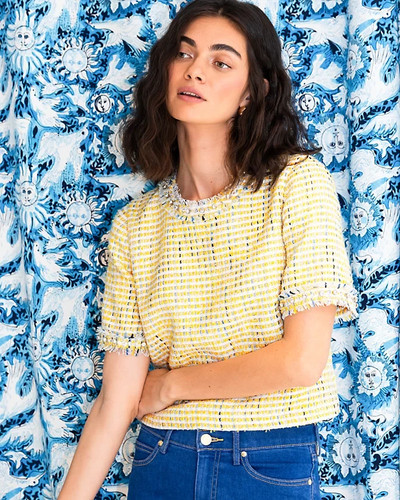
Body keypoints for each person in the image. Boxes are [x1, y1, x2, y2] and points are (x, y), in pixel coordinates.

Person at [59, 0, 357, 498]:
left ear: (252, 93)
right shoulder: (136, 225)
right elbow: (116, 401)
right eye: (184, 54)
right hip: (162, 457)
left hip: (266, 460)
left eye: (220, 62)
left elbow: (302, 361)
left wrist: (172, 384)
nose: (195, 70)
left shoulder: (297, 184)